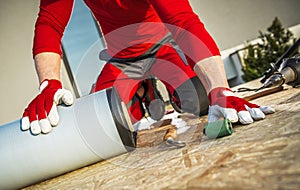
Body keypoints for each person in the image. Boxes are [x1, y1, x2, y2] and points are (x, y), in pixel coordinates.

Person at [22, 0, 274, 135]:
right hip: (122, 59)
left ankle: (151, 86)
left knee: (200, 101)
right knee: (106, 124)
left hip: (162, 50)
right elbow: (49, 24)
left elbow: (183, 20)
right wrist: (49, 83)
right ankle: (142, 91)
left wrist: (219, 89)